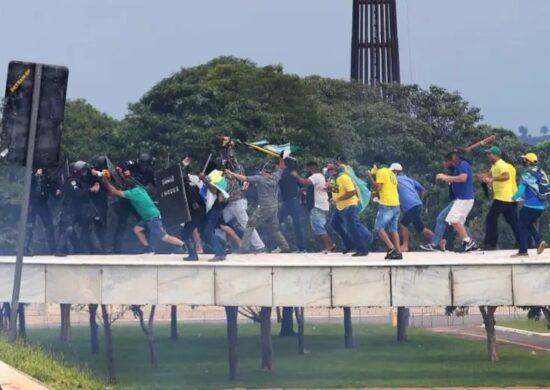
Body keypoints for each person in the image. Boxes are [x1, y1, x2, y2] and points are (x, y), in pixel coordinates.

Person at [102, 168, 185, 255]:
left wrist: (107, 181)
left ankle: (183, 245)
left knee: (164, 237)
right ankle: (147, 249)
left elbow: (115, 192)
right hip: (148, 217)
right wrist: (123, 175)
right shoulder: (140, 189)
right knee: (137, 229)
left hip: (152, 218)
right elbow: (129, 182)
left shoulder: (133, 193)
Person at [225, 159, 291, 253]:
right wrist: (281, 157)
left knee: (249, 225)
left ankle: (244, 248)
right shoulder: (276, 177)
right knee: (274, 229)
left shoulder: (260, 178)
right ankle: (285, 246)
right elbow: (281, 167)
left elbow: (244, 178)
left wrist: (232, 173)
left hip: (264, 207)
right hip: (274, 207)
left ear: (264, 171)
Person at [434, 151, 480, 252]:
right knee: (457, 222)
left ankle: (468, 242)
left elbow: (463, 178)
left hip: (464, 198)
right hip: (462, 199)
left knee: (453, 219)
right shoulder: (458, 167)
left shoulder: (463, 164)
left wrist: (446, 177)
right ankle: (467, 243)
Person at [56, 161, 103, 256]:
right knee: (68, 228)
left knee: (89, 228)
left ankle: (97, 250)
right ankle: (59, 250)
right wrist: (90, 190)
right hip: (71, 208)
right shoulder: (72, 180)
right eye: (83, 170)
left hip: (83, 209)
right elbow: (77, 194)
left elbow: (97, 180)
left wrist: (97, 179)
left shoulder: (84, 179)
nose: (85, 172)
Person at [476, 146, 519, 250]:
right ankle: (523, 241)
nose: (488, 156)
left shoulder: (502, 164)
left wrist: (492, 179)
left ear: (495, 155)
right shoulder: (495, 166)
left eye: (489, 154)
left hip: (503, 197)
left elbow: (506, 176)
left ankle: (490, 243)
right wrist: (475, 175)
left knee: (491, 218)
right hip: (506, 197)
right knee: (512, 221)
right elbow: (488, 174)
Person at [221, 156, 266, 254]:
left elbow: (234, 161)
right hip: (231, 204)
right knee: (219, 221)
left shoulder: (235, 174)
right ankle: (224, 245)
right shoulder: (227, 176)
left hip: (237, 203)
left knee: (247, 225)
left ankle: (259, 246)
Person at [329, 162, 372, 257]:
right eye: (328, 170)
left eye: (331, 169)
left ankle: (362, 249)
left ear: (337, 169)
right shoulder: (333, 179)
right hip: (340, 207)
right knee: (334, 224)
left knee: (352, 227)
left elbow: (352, 192)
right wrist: (327, 190)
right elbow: (336, 191)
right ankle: (349, 243)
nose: (329, 171)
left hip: (350, 205)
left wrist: (338, 199)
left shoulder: (344, 177)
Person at [292, 161, 335, 253]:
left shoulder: (316, 176)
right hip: (322, 205)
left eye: (308, 169)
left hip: (317, 205)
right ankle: (331, 245)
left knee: (318, 226)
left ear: (311, 168)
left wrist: (296, 175)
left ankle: (327, 247)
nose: (307, 171)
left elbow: (305, 182)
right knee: (319, 226)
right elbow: (312, 187)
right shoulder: (321, 176)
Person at [390, 163, 434, 252]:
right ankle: (405, 245)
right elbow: (422, 190)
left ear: (395, 172)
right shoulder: (409, 179)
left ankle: (439, 240)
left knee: (419, 228)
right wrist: (420, 201)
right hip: (416, 204)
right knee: (405, 224)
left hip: (411, 206)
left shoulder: (395, 179)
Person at [510, 153, 547, 257]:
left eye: (525, 159)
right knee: (529, 224)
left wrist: (512, 198)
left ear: (528, 162)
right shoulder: (541, 172)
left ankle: (523, 251)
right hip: (540, 206)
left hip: (529, 206)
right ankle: (539, 241)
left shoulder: (526, 175)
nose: (523, 161)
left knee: (522, 226)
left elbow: (520, 191)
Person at [367, 156, 402, 260]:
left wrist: (370, 176)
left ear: (377, 163)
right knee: (393, 229)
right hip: (396, 204)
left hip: (387, 205)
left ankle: (391, 249)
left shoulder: (381, 172)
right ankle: (398, 252)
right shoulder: (391, 173)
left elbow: (379, 187)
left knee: (379, 228)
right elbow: (397, 188)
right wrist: (378, 194)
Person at [198, 163, 229, 261]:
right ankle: (222, 248)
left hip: (215, 207)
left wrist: (205, 180)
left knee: (207, 232)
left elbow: (214, 190)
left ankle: (220, 252)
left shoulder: (218, 177)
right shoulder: (217, 176)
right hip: (210, 208)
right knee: (204, 233)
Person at [24, 167, 57, 255]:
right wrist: (36, 175)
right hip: (32, 203)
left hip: (42, 203)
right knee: (30, 226)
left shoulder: (46, 177)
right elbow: (27, 186)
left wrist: (58, 192)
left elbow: (52, 190)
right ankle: (25, 248)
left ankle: (53, 249)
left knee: (49, 225)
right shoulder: (32, 175)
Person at [278, 158, 307, 252]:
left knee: (276, 223)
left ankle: (299, 248)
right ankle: (299, 248)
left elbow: (303, 186)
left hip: (291, 202)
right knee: (296, 225)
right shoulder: (289, 173)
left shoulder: (287, 173)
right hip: (291, 201)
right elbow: (303, 186)